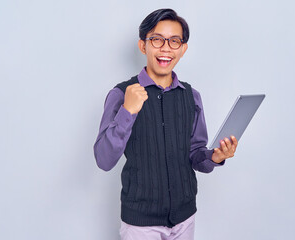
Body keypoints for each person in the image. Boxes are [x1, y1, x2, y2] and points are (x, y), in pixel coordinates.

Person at [93, 8, 238, 240]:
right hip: (141, 224)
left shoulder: (192, 96)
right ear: (143, 46)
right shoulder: (121, 94)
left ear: (183, 49)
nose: (166, 48)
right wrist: (127, 111)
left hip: (184, 218)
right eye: (157, 39)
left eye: (174, 41)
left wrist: (215, 157)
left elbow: (196, 154)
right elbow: (103, 159)